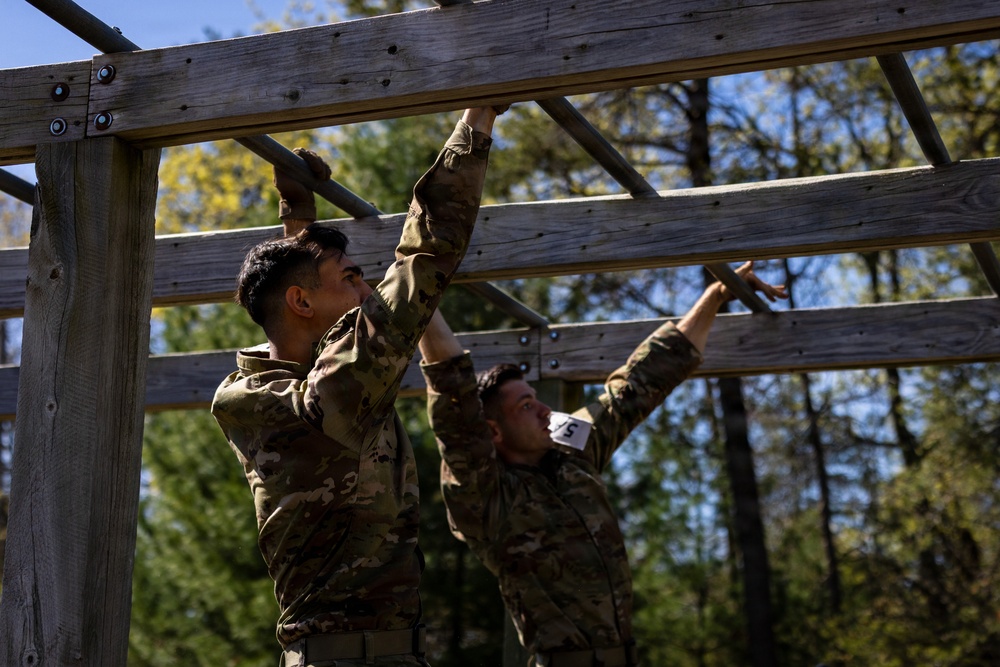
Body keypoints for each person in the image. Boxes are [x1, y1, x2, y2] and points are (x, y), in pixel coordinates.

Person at [211, 105, 505, 667]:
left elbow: (302, 325)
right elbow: (426, 254)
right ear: (301, 302)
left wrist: (298, 213)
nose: (366, 293)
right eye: (351, 278)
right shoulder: (325, 397)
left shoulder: (279, 388)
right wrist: (480, 117)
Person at [417, 264, 787, 667]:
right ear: (493, 432)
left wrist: (715, 295)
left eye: (536, 398)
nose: (545, 410)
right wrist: (417, 285)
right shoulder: (488, 496)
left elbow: (639, 384)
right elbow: (453, 401)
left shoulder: (571, 450)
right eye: (526, 406)